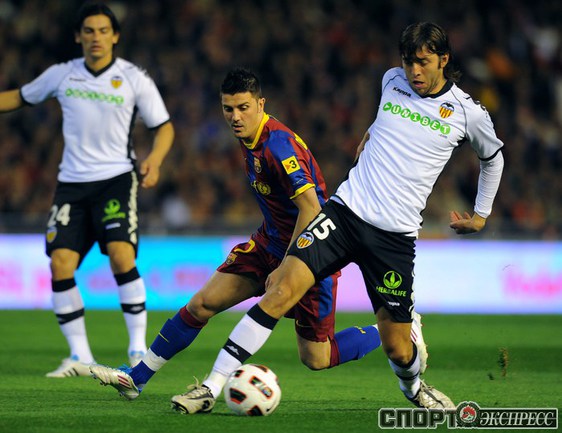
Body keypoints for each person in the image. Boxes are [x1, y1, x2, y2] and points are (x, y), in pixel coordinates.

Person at [163, 22, 505, 412]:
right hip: (344, 214)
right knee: (280, 290)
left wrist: (481, 215)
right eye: (408, 61)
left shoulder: (467, 113)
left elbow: (493, 158)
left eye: (423, 63)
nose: (413, 71)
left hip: (393, 237)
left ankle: (413, 387)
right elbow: (388, 120)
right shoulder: (391, 80)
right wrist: (369, 135)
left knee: (397, 348)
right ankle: (211, 387)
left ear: (444, 60)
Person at [89, 67, 428, 408]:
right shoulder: (249, 138)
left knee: (316, 357)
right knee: (201, 304)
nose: (235, 117)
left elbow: (311, 209)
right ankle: (137, 378)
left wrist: (288, 264)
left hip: (311, 253)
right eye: (228, 109)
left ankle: (401, 330)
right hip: (268, 243)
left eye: (243, 108)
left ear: (260, 104)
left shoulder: (279, 145)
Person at [0, 2, 174, 377]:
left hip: (116, 179)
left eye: (103, 31)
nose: (97, 38)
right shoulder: (62, 75)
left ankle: (137, 350)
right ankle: (80, 355)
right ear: (78, 36)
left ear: (115, 36)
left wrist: (156, 160)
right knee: (60, 263)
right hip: (71, 185)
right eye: (89, 31)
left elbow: (164, 126)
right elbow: (18, 96)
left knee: (121, 257)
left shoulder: (134, 78)